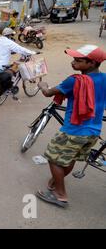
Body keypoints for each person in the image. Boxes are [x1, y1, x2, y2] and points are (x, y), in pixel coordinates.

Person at [36, 45, 106, 208]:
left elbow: (48, 93)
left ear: (92, 63)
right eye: (74, 59)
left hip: (74, 130)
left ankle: (60, 195)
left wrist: (42, 85)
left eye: (78, 60)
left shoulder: (74, 81)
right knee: (70, 158)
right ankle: (55, 182)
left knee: (53, 157)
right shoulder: (104, 79)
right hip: (94, 131)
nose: (73, 63)